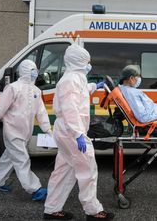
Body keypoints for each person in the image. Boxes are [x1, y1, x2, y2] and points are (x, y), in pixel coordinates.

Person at [43, 44, 114, 221]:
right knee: (88, 170)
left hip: (67, 131)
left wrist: (95, 86)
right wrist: (78, 134)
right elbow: (70, 109)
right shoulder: (70, 80)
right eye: (87, 61)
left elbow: (81, 92)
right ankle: (93, 212)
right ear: (80, 61)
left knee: (63, 171)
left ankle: (52, 210)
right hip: (72, 132)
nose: (89, 64)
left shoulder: (75, 78)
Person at [0, 60, 51, 201]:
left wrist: (48, 129)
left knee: (9, 159)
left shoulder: (36, 91)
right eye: (33, 69)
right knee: (22, 160)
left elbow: (41, 112)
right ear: (25, 70)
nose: (36, 72)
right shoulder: (13, 88)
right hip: (12, 132)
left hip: (25, 133)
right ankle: (35, 189)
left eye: (36, 70)